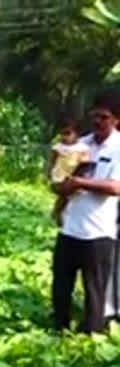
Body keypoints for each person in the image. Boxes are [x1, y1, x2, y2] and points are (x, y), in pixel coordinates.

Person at [52, 91, 120, 332]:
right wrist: (59, 184)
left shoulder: (118, 148)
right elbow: (57, 180)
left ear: (116, 120)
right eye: (94, 116)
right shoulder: (81, 146)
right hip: (71, 226)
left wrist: (81, 184)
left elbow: (115, 187)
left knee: (94, 288)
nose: (97, 121)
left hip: (99, 232)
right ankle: (58, 329)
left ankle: (92, 334)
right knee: (61, 285)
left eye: (104, 117)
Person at [45, 118, 90, 226]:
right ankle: (58, 212)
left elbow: (85, 162)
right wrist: (48, 172)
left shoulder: (82, 148)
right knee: (63, 193)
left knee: (69, 195)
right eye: (62, 134)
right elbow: (52, 161)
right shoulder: (58, 147)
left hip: (73, 174)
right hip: (60, 174)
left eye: (68, 133)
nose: (64, 137)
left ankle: (59, 211)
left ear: (77, 134)